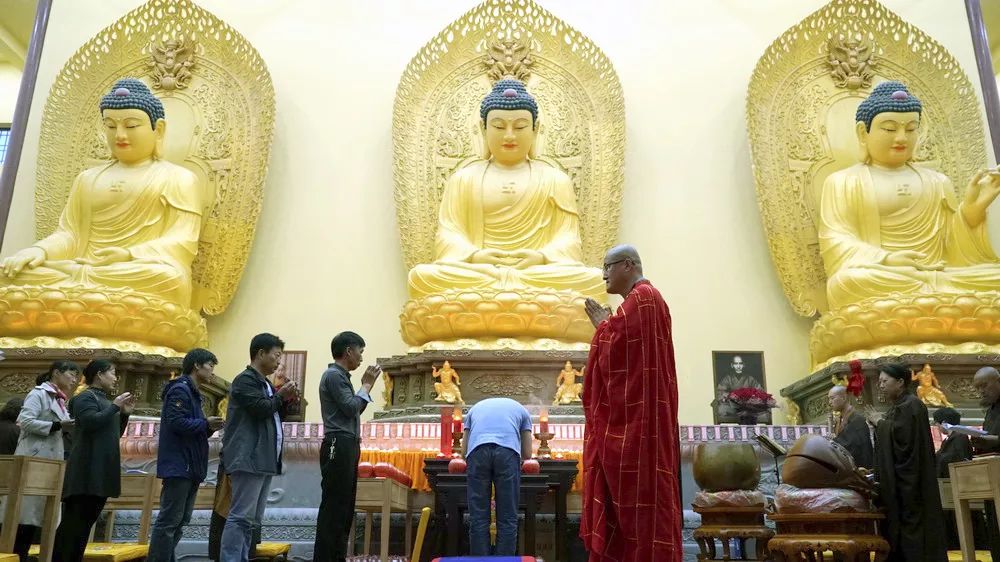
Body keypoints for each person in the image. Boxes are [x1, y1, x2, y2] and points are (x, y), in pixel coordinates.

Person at [580, 244, 682, 562]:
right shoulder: (637, 303)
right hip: (640, 419)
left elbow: (618, 353)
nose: (603, 275)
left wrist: (602, 327)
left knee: (642, 505)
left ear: (628, 265)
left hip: (639, 427)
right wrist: (609, 327)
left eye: (607, 267)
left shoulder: (644, 299)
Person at [219, 333, 298, 562]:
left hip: (263, 457)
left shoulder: (264, 383)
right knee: (240, 516)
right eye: (276, 355)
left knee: (252, 519)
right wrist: (281, 395)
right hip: (248, 456)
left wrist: (287, 398)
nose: (278, 362)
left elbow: (272, 413)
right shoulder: (245, 380)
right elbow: (260, 409)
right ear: (260, 353)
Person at [147, 349, 226, 562]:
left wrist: (208, 427)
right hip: (179, 465)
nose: (212, 371)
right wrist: (205, 423)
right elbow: (176, 422)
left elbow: (192, 428)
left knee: (181, 520)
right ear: (197, 365)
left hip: (190, 465)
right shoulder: (180, 390)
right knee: (169, 521)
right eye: (210, 365)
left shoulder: (193, 392)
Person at [53, 359, 135, 562]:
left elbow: (112, 434)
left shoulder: (107, 402)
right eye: (113, 373)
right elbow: (90, 423)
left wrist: (124, 415)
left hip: (102, 469)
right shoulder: (85, 398)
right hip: (86, 468)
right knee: (74, 524)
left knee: (86, 523)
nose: (116, 378)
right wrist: (115, 407)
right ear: (99, 374)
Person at [312, 332, 381, 562]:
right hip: (337, 443)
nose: (361, 358)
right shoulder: (333, 375)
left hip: (348, 443)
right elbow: (351, 408)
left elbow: (352, 409)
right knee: (334, 507)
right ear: (349, 351)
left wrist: (362, 388)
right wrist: (366, 386)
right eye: (360, 351)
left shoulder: (342, 377)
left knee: (345, 507)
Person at [872, 362, 947, 562]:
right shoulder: (897, 407)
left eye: (884, 381)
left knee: (913, 523)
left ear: (900, 382)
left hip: (912, 478)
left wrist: (879, 423)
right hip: (900, 477)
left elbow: (904, 441)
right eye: (879, 382)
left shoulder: (912, 404)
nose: (880, 386)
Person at [8, 362, 78, 561]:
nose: (74, 380)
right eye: (71, 375)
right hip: (34, 458)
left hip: (49, 461)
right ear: (56, 373)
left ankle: (26, 554)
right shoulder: (38, 394)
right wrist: (58, 425)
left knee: (37, 515)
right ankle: (16, 555)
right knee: (24, 514)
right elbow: (25, 421)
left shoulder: (60, 399)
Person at [462, 398, 532, 556]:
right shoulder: (522, 410)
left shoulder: (475, 407)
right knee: (507, 516)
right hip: (507, 454)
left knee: (478, 516)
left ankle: (480, 560)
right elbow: (527, 454)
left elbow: (463, 451)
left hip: (477, 453)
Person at [970, 366, 1000, 560]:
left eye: (984, 385)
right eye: (978, 388)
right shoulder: (991, 411)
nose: (981, 391)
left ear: (997, 381)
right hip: (992, 474)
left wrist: (992, 440)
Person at [828, 385, 874, 470]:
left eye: (832, 398)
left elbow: (854, 447)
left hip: (862, 469)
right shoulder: (840, 420)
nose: (829, 402)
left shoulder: (857, 419)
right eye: (829, 399)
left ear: (844, 398)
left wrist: (833, 441)